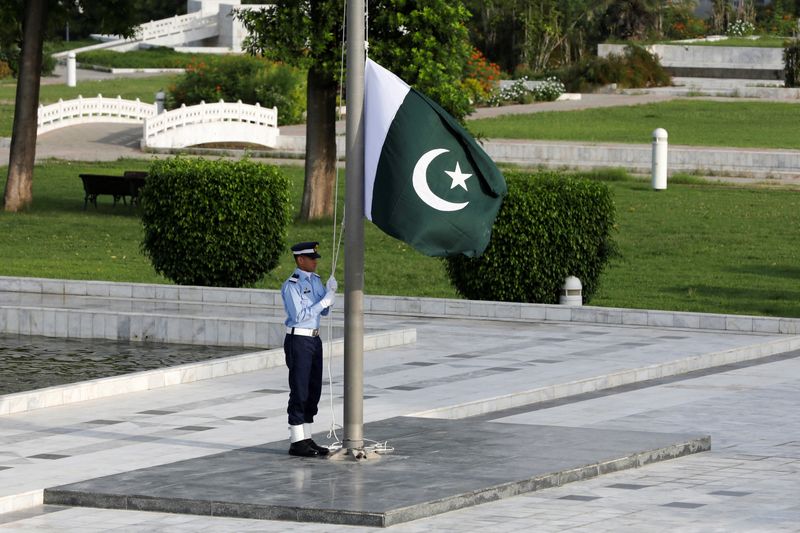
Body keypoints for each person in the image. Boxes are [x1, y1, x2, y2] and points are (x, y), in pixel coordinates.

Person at [281, 241, 338, 457]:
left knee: (313, 390)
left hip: (314, 340)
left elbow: (323, 314)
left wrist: (330, 294)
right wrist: (324, 302)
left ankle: (306, 437)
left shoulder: (315, 281)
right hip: (299, 341)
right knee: (300, 389)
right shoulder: (292, 285)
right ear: (300, 260)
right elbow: (299, 316)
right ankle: (297, 441)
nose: (315, 261)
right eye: (312, 258)